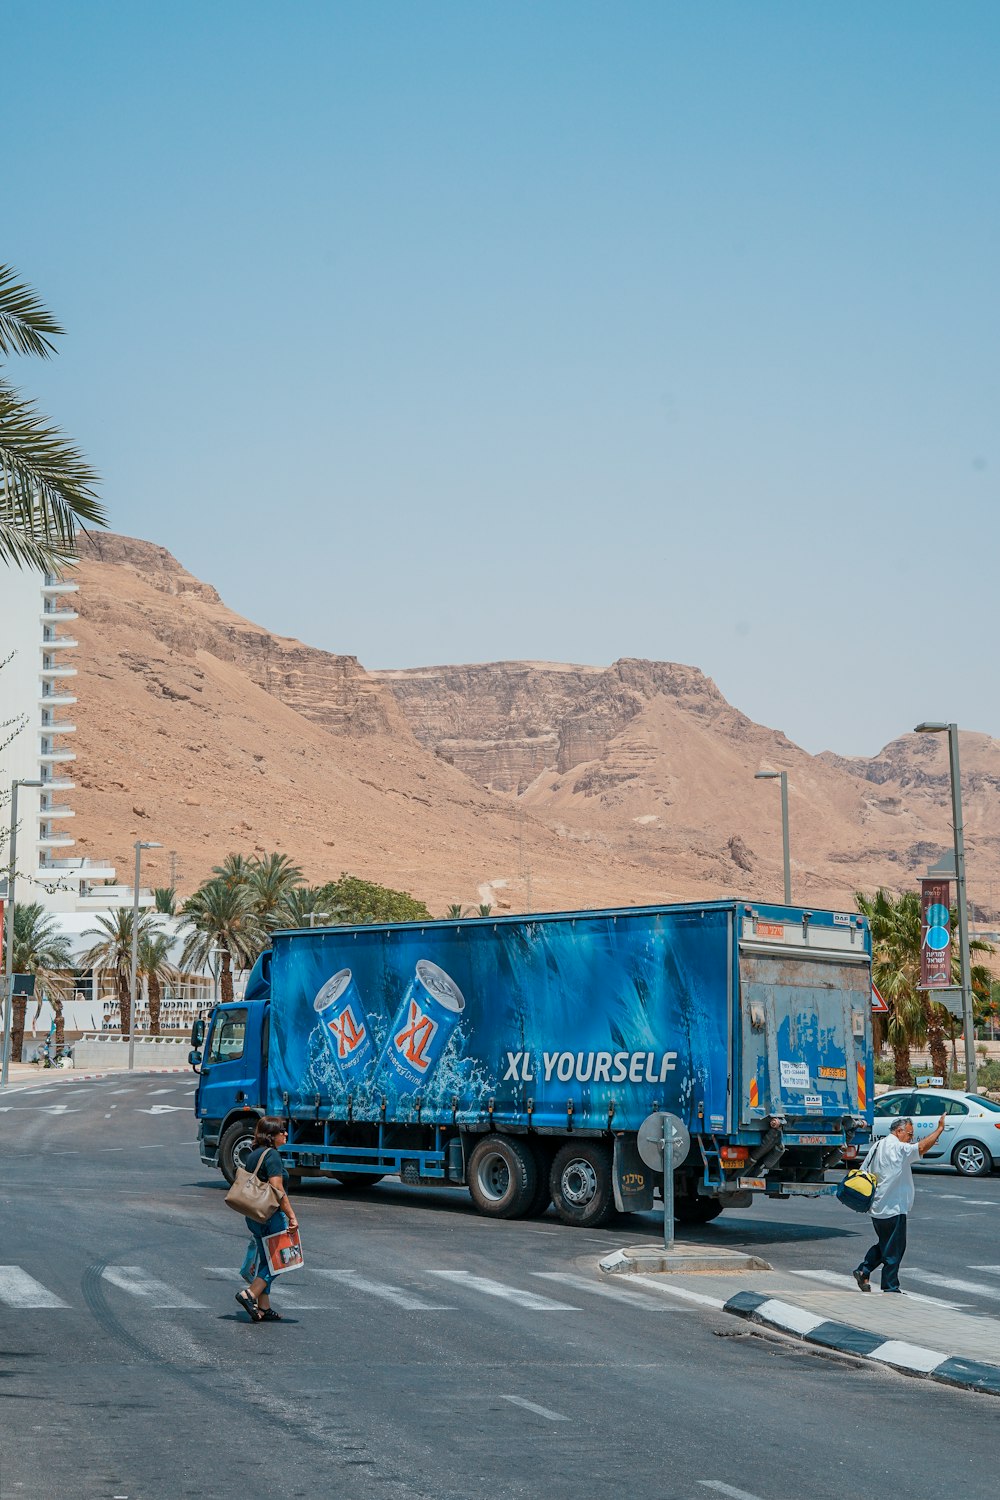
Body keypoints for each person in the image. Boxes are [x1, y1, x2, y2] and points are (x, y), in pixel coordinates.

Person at [853, 1113, 945, 1294]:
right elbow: (920, 1148)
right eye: (909, 1134)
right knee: (894, 1250)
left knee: (886, 1244)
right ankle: (890, 1287)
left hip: (877, 1206)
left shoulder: (878, 1146)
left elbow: (864, 1170)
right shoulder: (899, 1149)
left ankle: (864, 1270)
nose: (910, 1138)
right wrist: (940, 1128)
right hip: (893, 1207)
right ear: (899, 1130)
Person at [235, 1117, 299, 1323]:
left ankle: (264, 1307)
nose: (286, 1134)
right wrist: (291, 1215)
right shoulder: (272, 1156)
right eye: (282, 1131)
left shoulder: (254, 1155)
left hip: (254, 1215)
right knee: (281, 1261)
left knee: (267, 1260)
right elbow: (277, 1189)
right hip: (270, 1215)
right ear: (271, 1136)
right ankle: (250, 1294)